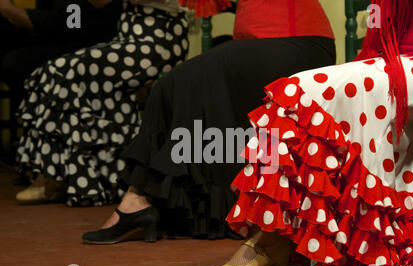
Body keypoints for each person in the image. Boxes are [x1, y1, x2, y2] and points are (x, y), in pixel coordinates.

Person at [208, 0, 413, 266]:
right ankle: (274, 235)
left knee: (301, 92)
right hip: (392, 62)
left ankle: (272, 242)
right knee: (297, 94)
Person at [81, 0, 337, 243]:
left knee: (182, 81)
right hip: (260, 44)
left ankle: (140, 201)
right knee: (180, 85)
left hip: (297, 42)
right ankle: (150, 202)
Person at [15, 0, 190, 206]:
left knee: (64, 69)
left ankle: (65, 178)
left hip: (159, 40)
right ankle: (74, 175)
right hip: (130, 39)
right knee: (58, 70)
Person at [0, 0, 122, 126]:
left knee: (15, 64)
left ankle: (46, 125)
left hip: (88, 43)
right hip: (60, 34)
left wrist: (15, 13)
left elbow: (73, 23)